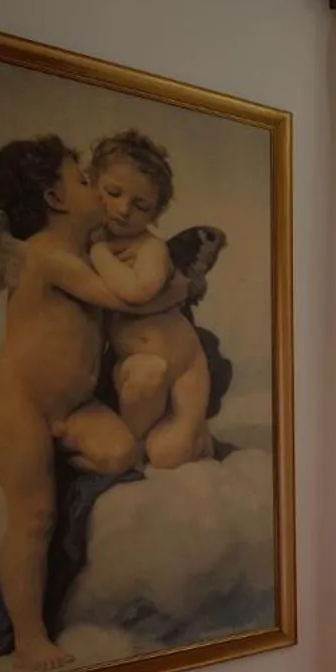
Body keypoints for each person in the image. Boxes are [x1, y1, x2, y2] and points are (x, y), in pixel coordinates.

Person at [0, 137, 182, 671]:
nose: (97, 191)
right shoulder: (45, 253)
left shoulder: (84, 252)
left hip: (72, 405)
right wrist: (180, 285)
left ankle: (27, 454)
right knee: (35, 516)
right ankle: (28, 637)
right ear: (55, 198)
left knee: (120, 453)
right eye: (84, 181)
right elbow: (127, 298)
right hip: (18, 403)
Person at [87, 130, 215, 469]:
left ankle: (197, 436)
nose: (123, 209)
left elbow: (137, 291)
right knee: (146, 374)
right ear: (92, 184)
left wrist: (99, 253)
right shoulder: (85, 243)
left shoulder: (150, 248)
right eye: (113, 193)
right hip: (137, 369)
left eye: (141, 205)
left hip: (185, 367)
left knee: (169, 454)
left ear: (154, 213)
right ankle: (136, 445)